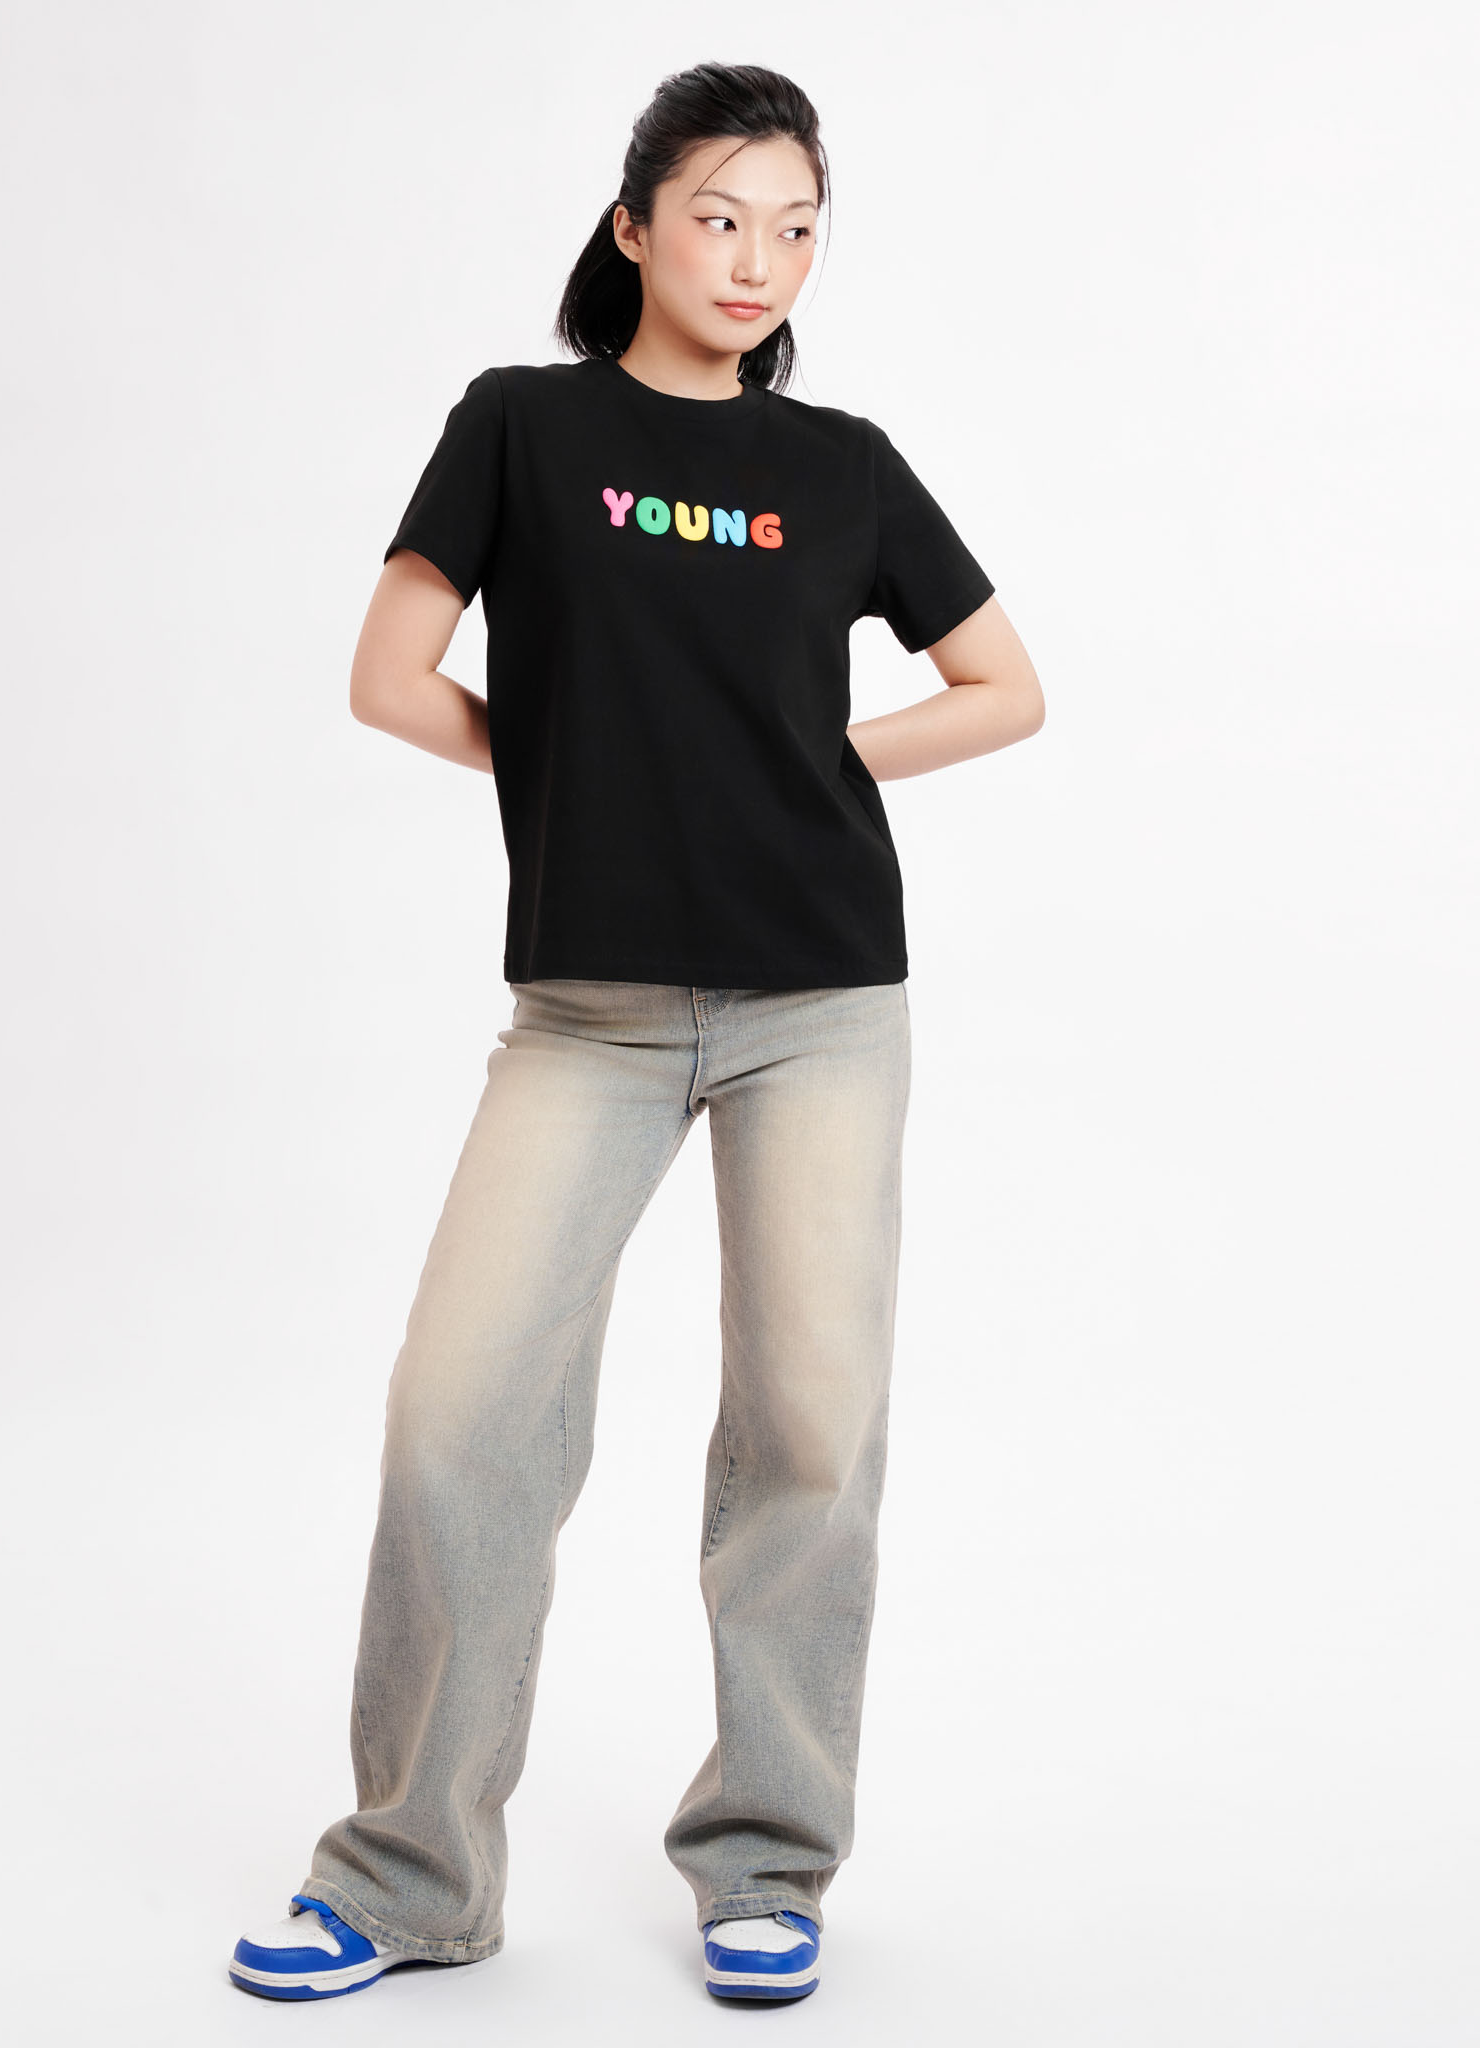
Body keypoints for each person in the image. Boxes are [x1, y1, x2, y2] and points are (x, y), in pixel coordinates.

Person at [228, 59, 1044, 2007]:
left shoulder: (844, 466)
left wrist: (806, 770)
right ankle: (409, 1872)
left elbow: (1004, 686)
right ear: (633, 226)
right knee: (459, 1415)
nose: (757, 259)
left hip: (821, 1002)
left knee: (809, 1427)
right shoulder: (520, 426)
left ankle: (766, 1858)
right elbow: (388, 674)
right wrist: (576, 770)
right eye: (718, 217)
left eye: (795, 228)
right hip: (585, 1015)